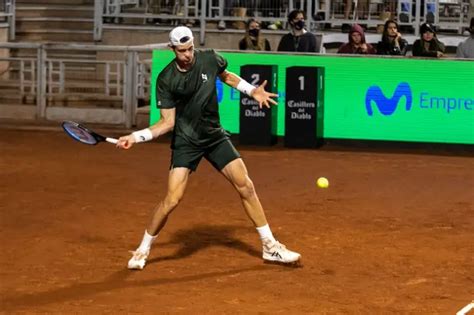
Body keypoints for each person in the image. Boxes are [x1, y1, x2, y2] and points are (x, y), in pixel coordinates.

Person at [117, 26, 301, 270]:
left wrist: (250, 90)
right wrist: (136, 136)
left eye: (191, 48)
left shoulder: (209, 58)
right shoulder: (166, 79)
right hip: (186, 140)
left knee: (246, 185)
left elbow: (225, 75)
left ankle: (270, 247)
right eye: (182, 51)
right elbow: (167, 123)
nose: (188, 55)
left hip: (214, 136)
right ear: (172, 49)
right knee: (172, 200)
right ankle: (143, 249)